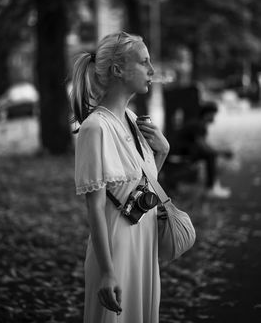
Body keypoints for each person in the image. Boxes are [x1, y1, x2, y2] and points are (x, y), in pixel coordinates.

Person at [70, 32, 170, 323]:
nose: (152, 71)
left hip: (143, 241)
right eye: (144, 62)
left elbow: (137, 190)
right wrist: (107, 272)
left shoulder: (131, 118)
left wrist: (162, 152)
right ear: (118, 70)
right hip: (115, 250)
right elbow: (96, 208)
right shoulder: (95, 129)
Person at [174, 101, 233, 199]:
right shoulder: (199, 125)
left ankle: (213, 186)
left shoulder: (198, 124)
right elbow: (203, 147)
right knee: (210, 155)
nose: (214, 117)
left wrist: (219, 151)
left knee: (210, 154)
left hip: (183, 151)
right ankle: (210, 188)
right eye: (213, 114)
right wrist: (222, 152)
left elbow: (204, 145)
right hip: (180, 153)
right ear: (206, 114)